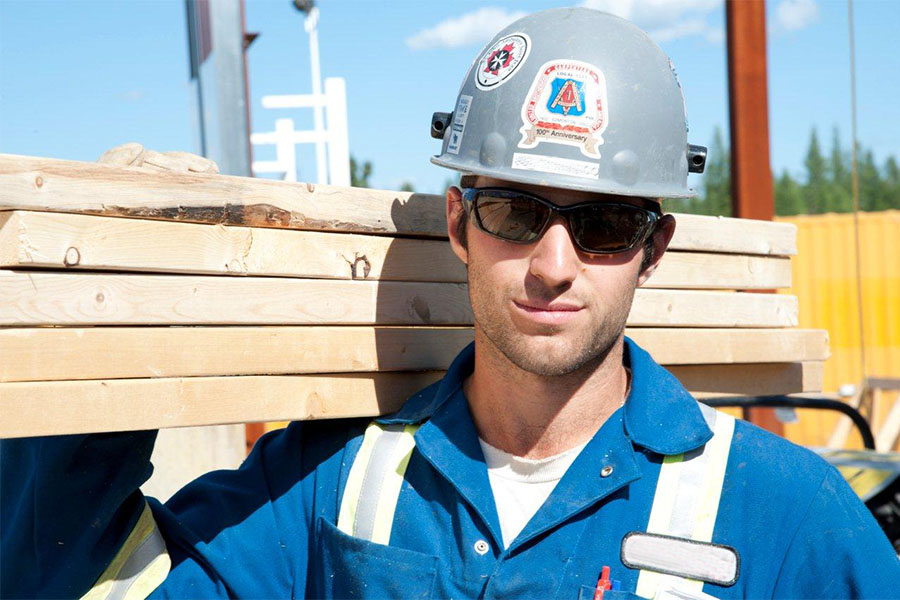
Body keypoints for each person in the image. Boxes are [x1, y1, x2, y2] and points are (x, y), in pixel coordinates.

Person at [2, 7, 898, 599]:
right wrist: (86, 322)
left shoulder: (787, 517)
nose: (554, 265)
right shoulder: (326, 488)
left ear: (652, 251)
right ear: (460, 222)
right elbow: (81, 580)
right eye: (516, 211)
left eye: (606, 226)